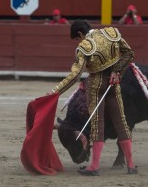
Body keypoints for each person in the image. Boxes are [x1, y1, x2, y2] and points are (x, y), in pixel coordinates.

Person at [51, 20, 138, 176]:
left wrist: (56, 91)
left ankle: (94, 167)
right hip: (113, 84)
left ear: (79, 34)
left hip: (96, 85)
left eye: (77, 38)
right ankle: (131, 166)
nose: (78, 41)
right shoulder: (111, 33)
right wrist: (116, 72)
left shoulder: (84, 46)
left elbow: (75, 74)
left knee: (98, 125)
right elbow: (129, 54)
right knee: (121, 123)